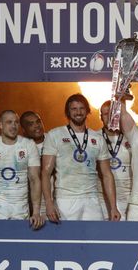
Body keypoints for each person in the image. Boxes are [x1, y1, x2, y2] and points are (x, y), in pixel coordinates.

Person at [42, 94, 119, 222]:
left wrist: (113, 207)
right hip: (65, 199)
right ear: (67, 112)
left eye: (82, 108)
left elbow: (107, 174)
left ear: (88, 111)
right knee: (67, 241)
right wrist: (49, 204)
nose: (78, 112)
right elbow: (45, 173)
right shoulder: (55, 135)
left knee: (95, 240)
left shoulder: (98, 138)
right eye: (74, 109)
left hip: (91, 199)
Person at [0, 110, 44, 230]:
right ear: (0, 125)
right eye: (9, 122)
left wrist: (36, 212)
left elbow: (34, 180)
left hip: (21, 210)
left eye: (16, 122)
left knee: (20, 247)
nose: (13, 126)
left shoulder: (29, 145)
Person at [97, 101, 131, 220]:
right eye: (105, 114)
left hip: (127, 197)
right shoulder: (95, 138)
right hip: (102, 198)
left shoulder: (130, 137)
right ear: (101, 117)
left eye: (112, 113)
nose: (109, 117)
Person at [20, 111, 46, 216]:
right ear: (24, 130)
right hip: (31, 203)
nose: (36, 126)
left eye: (38, 122)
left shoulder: (54, 140)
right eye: (31, 124)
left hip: (54, 201)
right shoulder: (20, 146)